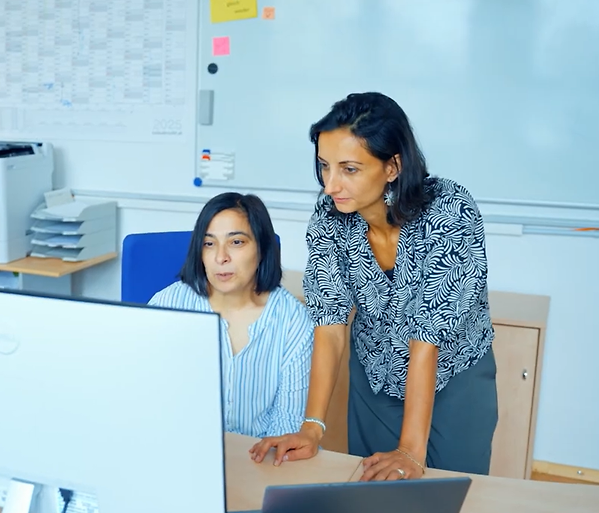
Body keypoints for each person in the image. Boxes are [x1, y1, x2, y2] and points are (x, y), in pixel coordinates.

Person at [249, 92, 497, 480]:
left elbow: (427, 338)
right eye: (324, 167)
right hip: (376, 373)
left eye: (349, 169)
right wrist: (312, 427)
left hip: (453, 376)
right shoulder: (331, 215)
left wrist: (411, 450)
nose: (331, 185)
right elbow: (329, 324)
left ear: (393, 166)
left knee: (451, 491)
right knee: (373, 490)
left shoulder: (449, 211)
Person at [149, 192, 314, 438]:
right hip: (182, 448)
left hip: (263, 457)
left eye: (236, 242)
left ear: (261, 248)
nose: (220, 257)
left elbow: (288, 423)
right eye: (209, 243)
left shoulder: (292, 320)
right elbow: (146, 400)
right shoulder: (167, 306)